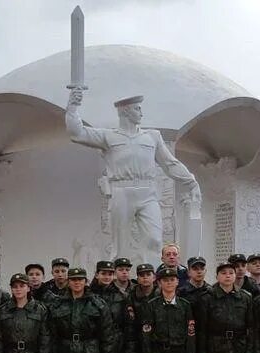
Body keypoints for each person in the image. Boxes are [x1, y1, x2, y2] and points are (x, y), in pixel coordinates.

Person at [66, 90, 201, 265]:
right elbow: (77, 133)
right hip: (121, 191)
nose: (141, 113)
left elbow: (170, 163)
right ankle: (117, 284)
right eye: (137, 109)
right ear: (125, 112)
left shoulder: (152, 136)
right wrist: (72, 107)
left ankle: (152, 282)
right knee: (119, 247)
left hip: (148, 193)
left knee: (154, 240)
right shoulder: (108, 136)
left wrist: (191, 182)